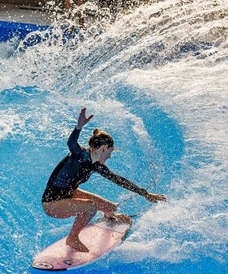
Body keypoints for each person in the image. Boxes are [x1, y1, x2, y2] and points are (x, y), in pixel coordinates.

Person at [42, 108, 167, 252]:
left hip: (69, 194)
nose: (110, 156)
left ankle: (110, 217)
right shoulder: (80, 154)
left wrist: (145, 194)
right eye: (110, 152)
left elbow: (119, 180)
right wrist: (78, 127)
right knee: (91, 207)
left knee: (110, 207)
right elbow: (71, 143)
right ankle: (73, 238)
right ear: (103, 148)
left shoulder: (96, 166)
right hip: (52, 203)